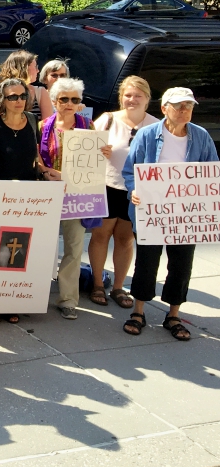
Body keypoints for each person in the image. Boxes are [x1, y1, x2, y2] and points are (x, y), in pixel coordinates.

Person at [122, 88, 218, 340]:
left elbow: (211, 172)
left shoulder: (201, 136)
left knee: (182, 264)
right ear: (164, 109)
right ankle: (138, 311)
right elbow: (130, 170)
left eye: (188, 105)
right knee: (146, 261)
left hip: (186, 214)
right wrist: (133, 190)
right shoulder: (146, 135)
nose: (184, 110)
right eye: (178, 106)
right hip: (151, 212)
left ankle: (173, 314)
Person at [0, 77, 40, 323]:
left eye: (22, 96)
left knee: (17, 249)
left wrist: (45, 172)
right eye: (13, 97)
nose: (19, 101)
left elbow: (36, 157)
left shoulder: (33, 122)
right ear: (3, 100)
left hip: (25, 197)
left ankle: (11, 301)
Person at [88, 76, 157, 309]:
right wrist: (99, 151)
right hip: (107, 186)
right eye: (128, 95)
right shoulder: (107, 120)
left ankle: (118, 287)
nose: (132, 99)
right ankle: (98, 283)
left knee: (125, 239)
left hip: (136, 191)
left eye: (138, 95)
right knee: (100, 236)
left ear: (147, 99)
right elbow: (85, 150)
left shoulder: (156, 126)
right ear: (121, 97)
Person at [35, 77, 91, 321]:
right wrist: (46, 171)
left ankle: (68, 299)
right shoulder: (42, 126)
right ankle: (33, 294)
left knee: (74, 246)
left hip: (77, 195)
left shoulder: (89, 127)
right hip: (48, 192)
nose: (69, 104)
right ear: (55, 100)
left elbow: (97, 160)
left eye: (75, 100)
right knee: (42, 246)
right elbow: (35, 158)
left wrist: (104, 152)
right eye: (64, 99)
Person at [0, 50, 52, 122]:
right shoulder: (0, 93)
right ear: (24, 69)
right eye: (35, 67)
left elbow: (47, 125)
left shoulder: (40, 92)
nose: (38, 71)